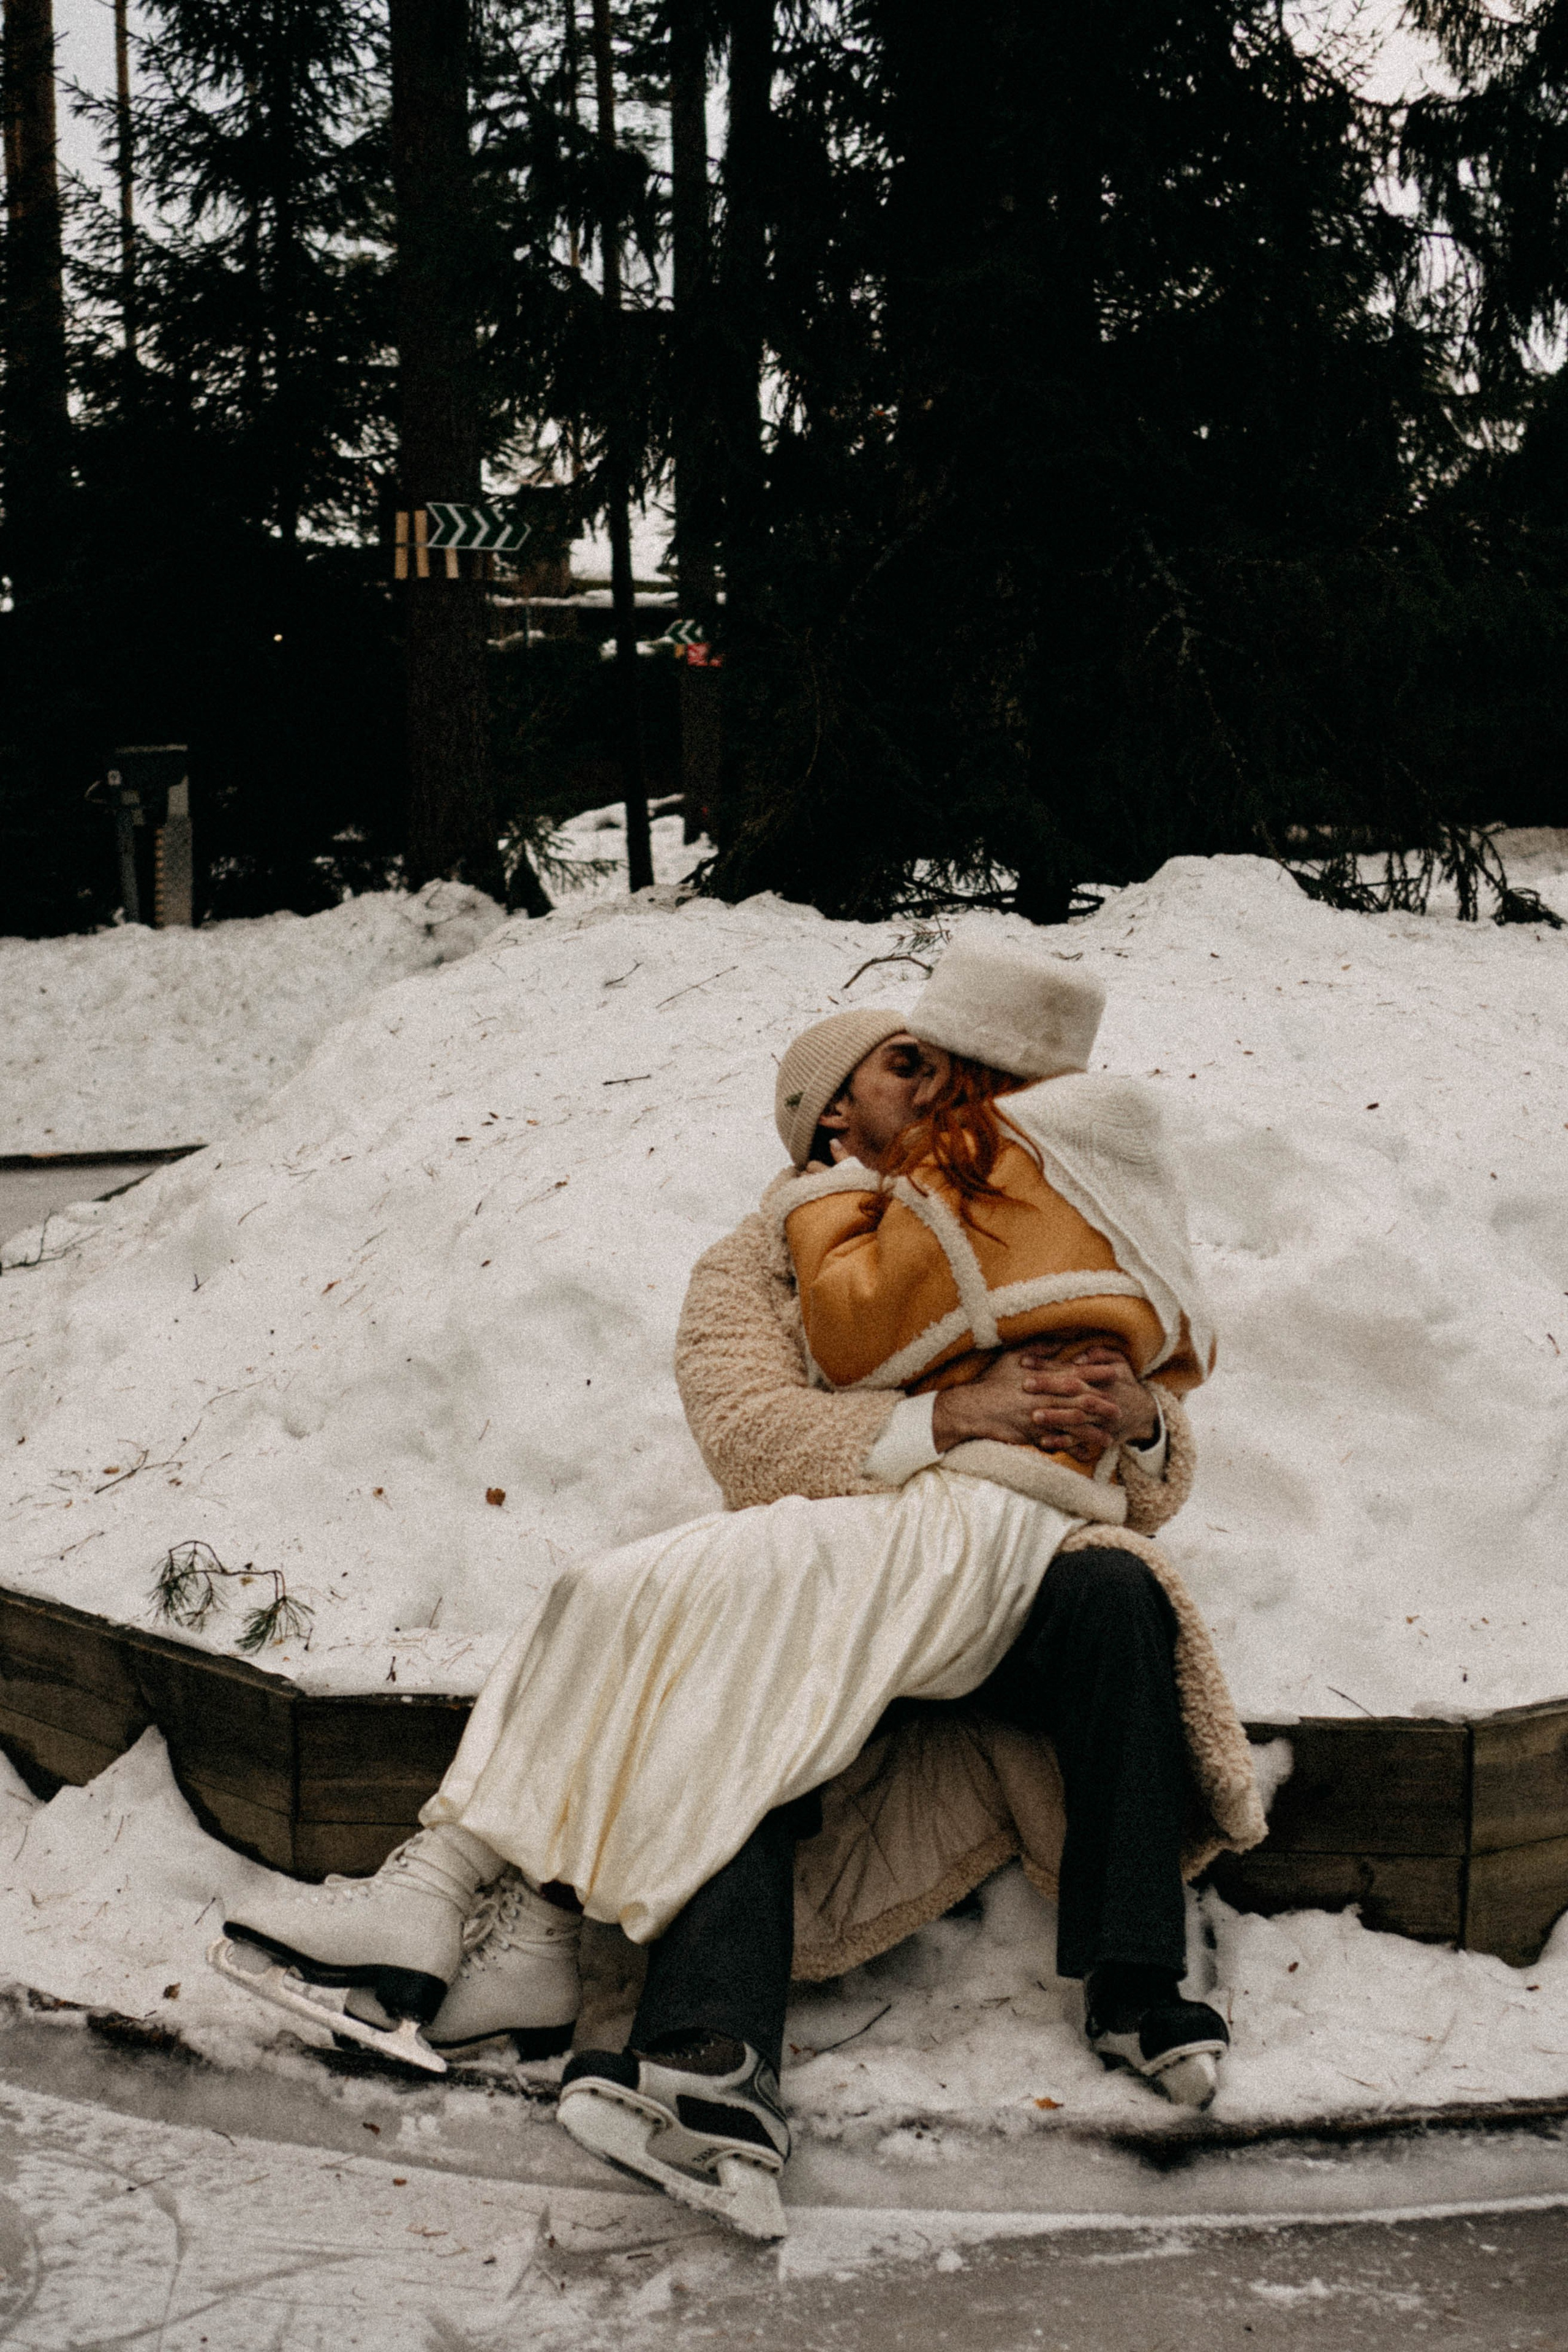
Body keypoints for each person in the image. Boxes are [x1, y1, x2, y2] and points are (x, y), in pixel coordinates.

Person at [211, 938, 1263, 2239]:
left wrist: (1134, 1417)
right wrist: (945, 1418)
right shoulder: (751, 1264)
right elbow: (751, 1442)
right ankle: (704, 2046)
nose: (939, 1079)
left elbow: (1144, 1468)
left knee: (1116, 1598)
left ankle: (1136, 1981)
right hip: (840, 1578)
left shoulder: (1023, 1201)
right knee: (752, 1682)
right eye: (903, 1063)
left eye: (942, 1059)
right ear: (831, 1117)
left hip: (999, 1574)